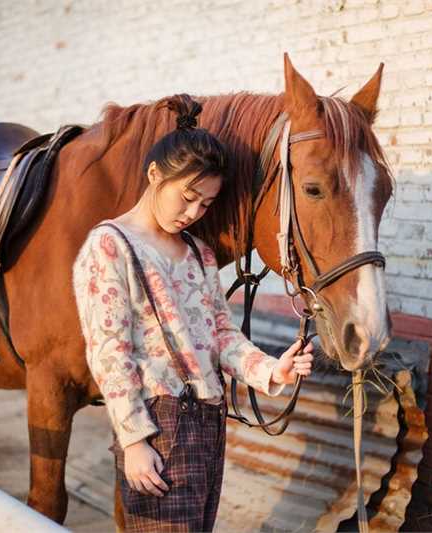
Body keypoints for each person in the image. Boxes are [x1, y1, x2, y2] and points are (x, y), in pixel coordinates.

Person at [72, 94, 314, 532]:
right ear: (154, 175)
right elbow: (110, 352)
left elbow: (221, 335)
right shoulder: (111, 245)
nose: (193, 213)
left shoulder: (199, 254)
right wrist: (134, 440)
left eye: (205, 204)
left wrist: (271, 369)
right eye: (187, 197)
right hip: (157, 424)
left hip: (208, 422)